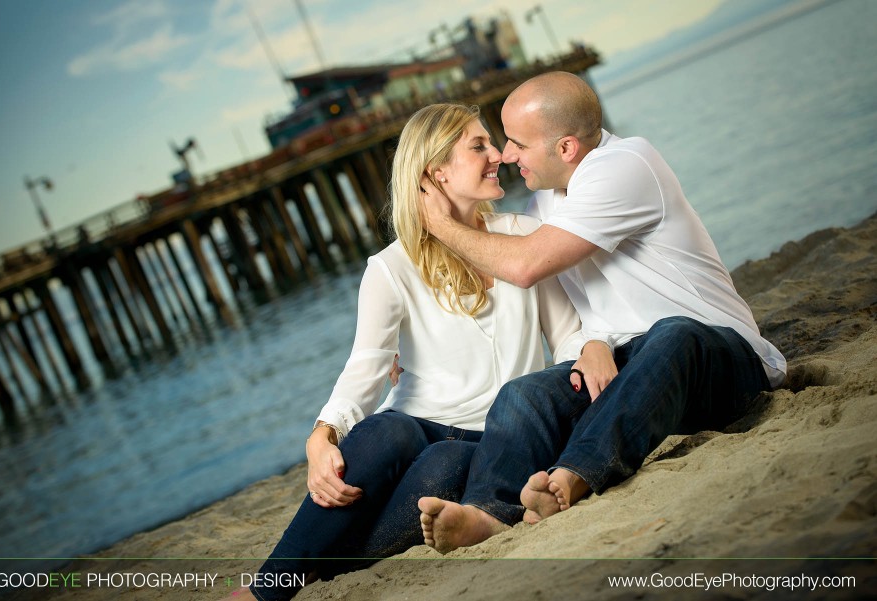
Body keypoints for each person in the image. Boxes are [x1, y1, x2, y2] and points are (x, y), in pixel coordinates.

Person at [228, 103, 602, 601]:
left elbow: (566, 336)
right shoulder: (389, 268)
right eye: (478, 146)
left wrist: (588, 353)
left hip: (491, 436)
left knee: (446, 466)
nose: (498, 155)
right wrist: (322, 436)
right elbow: (367, 365)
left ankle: (327, 562)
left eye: (493, 143)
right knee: (387, 430)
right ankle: (266, 591)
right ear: (435, 172)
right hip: (414, 423)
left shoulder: (522, 240)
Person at [416, 71, 787, 553]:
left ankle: (574, 474)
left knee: (673, 334)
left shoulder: (626, 165)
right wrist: (594, 343)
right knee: (525, 395)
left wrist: (439, 224)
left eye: (517, 144)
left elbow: (525, 266)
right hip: (633, 370)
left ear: (566, 147)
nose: (506, 156)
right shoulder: (544, 201)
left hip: (723, 359)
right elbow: (582, 301)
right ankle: (489, 513)